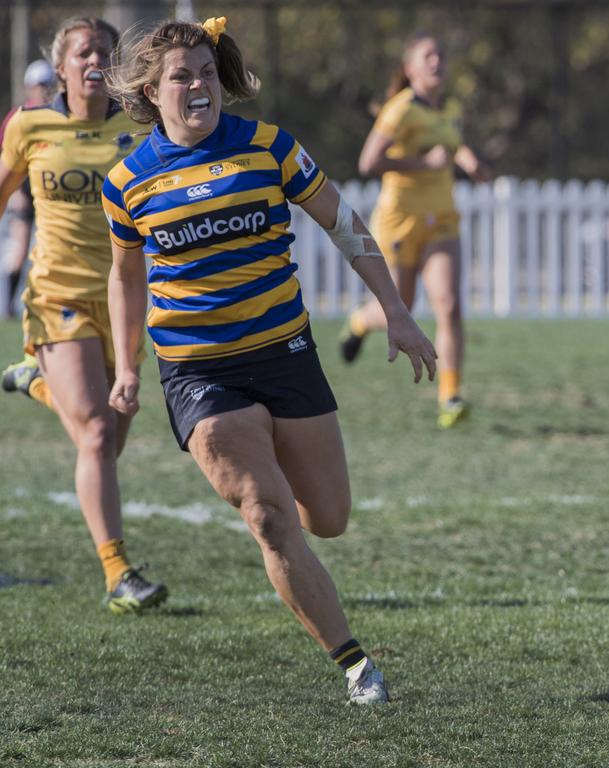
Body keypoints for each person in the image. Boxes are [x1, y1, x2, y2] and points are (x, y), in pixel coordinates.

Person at [103, 17, 436, 704]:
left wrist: (396, 313)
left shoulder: (269, 148)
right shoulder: (127, 183)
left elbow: (343, 223)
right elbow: (125, 276)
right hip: (198, 371)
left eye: (204, 72)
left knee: (329, 517)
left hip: (285, 354)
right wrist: (129, 364)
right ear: (147, 89)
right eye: (180, 76)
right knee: (268, 515)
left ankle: (291, 502)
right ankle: (355, 665)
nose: (198, 86)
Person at [0, 17, 168, 613]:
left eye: (104, 50)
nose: (94, 58)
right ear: (62, 66)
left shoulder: (139, 126)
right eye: (82, 51)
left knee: (111, 430)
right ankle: (119, 573)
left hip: (126, 298)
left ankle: (37, 384)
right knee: (96, 431)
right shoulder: (30, 125)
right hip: (57, 295)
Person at [339, 33, 490, 429]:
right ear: (410, 69)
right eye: (428, 56)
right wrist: (423, 165)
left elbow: (451, 146)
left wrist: (471, 163)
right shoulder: (400, 110)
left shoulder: (452, 108)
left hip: (441, 220)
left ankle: (451, 397)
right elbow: (368, 162)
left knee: (450, 304)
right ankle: (359, 322)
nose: (437, 62)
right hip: (399, 220)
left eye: (441, 55)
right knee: (399, 306)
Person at [0, 59, 57, 318]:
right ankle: (10, 306)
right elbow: (7, 160)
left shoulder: (60, 113)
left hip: (53, 195)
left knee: (52, 252)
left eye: (48, 84)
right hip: (25, 193)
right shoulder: (19, 117)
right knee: (20, 250)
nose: (44, 89)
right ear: (28, 87)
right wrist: (15, 194)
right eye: (39, 85)